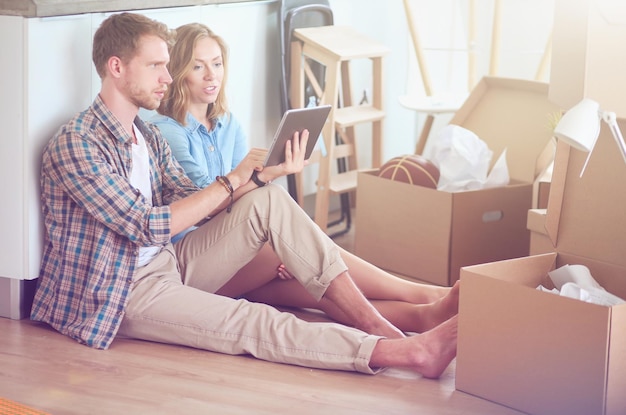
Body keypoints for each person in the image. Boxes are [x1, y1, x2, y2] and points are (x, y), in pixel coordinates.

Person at [31, 12, 457, 380]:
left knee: (269, 200)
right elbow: (146, 224)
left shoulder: (144, 135)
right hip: (121, 290)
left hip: (169, 263)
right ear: (117, 67)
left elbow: (191, 198)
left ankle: (377, 324)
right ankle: (402, 350)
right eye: (156, 65)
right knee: (251, 319)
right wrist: (232, 180)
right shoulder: (78, 143)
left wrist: (259, 177)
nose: (167, 76)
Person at [152, 22, 457, 334]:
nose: (211, 75)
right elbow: (209, 206)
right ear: (177, 72)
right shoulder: (168, 130)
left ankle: (424, 316)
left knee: (320, 291)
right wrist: (270, 189)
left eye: (217, 64)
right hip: (191, 259)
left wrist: (277, 226)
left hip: (235, 244)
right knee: (305, 258)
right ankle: (422, 293)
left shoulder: (228, 123)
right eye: (197, 66)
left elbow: (241, 198)